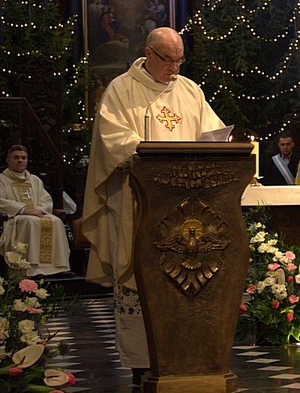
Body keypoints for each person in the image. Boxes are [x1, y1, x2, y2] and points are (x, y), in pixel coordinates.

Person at [81, 27, 224, 383]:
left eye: (179, 60)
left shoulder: (191, 91)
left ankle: (186, 356)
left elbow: (213, 135)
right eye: (168, 59)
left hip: (189, 209)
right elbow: (113, 140)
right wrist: (147, 153)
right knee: (138, 277)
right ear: (148, 53)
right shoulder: (121, 90)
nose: (174, 68)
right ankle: (141, 362)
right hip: (138, 203)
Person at [0, 145, 71, 277]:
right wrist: (23, 210)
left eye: (23, 158)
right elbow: (1, 201)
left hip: (35, 215)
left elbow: (46, 200)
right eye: (16, 158)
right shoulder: (2, 180)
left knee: (56, 221)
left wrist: (38, 210)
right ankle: (31, 268)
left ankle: (57, 266)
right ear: (8, 160)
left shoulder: (34, 180)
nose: (20, 160)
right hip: (14, 218)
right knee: (30, 222)